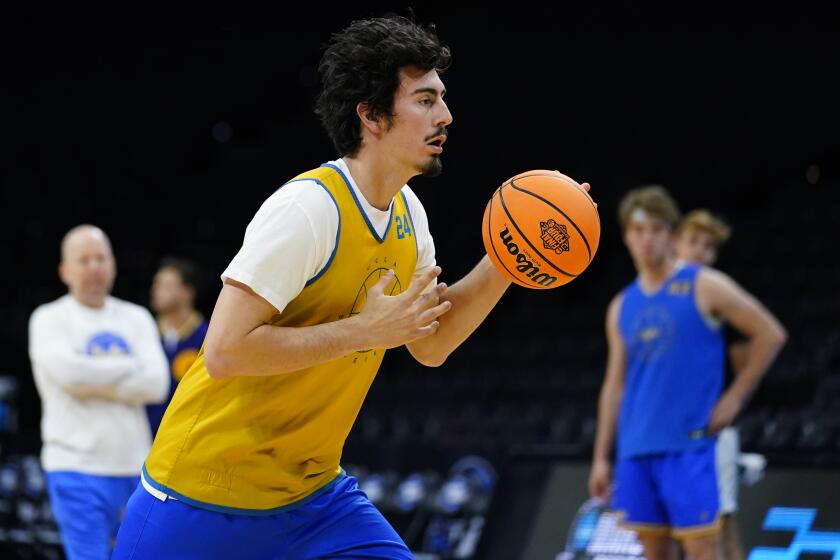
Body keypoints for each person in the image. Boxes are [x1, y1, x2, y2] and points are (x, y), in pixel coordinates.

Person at [113, 16, 575, 559]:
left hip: (313, 500)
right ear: (372, 116)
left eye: (442, 99)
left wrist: (508, 257)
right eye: (425, 100)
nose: (446, 115)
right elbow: (224, 351)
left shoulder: (408, 214)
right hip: (201, 496)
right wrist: (364, 330)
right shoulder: (307, 209)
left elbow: (430, 343)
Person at [588, 187, 786, 560]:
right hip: (636, 449)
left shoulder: (704, 284)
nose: (647, 239)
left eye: (656, 229)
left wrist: (733, 398)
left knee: (709, 548)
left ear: (671, 235)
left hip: (691, 446)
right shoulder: (620, 305)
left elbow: (770, 334)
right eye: (638, 230)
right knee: (654, 553)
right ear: (627, 235)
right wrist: (602, 457)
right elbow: (614, 386)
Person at [28, 225, 169, 560]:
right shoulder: (48, 319)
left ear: (113, 265)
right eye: (84, 260)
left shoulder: (137, 318)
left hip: (135, 468)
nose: (94, 267)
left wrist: (92, 376)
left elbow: (156, 384)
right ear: (65, 270)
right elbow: (69, 374)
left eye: (101, 258)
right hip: (75, 467)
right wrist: (128, 366)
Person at [674, 210, 745, 560]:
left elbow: (745, 356)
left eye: (709, 246)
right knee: (672, 530)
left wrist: (731, 401)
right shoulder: (655, 299)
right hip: (668, 434)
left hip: (711, 434)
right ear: (676, 244)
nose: (700, 251)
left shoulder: (719, 299)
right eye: (694, 242)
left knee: (721, 525)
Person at [146, 257, 209, 436]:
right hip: (146, 437)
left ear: (187, 292)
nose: (156, 290)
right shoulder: (145, 334)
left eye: (166, 286)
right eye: (156, 285)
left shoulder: (207, 338)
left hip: (188, 436)